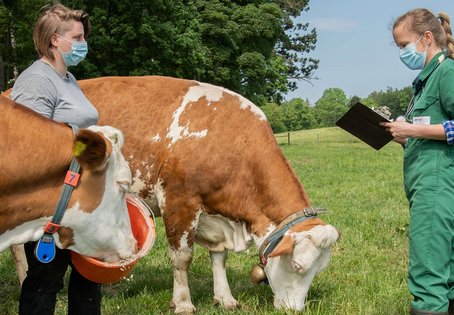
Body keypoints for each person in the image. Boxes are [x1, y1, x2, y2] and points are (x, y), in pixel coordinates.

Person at [11, 4, 101, 315]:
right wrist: (85, 148)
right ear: (54, 40)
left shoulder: (68, 78)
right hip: (51, 201)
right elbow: (30, 146)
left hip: (78, 195)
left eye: (83, 36)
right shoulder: (36, 80)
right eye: (77, 37)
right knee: (45, 279)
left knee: (89, 276)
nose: (83, 43)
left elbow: (73, 131)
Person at [381, 8, 454, 315]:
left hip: (438, 183)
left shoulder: (447, 72)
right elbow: (433, 130)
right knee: (442, 263)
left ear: (426, 38)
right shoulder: (425, 79)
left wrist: (412, 128)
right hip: (426, 181)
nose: (402, 53)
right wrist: (407, 138)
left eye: (403, 45)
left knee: (427, 266)